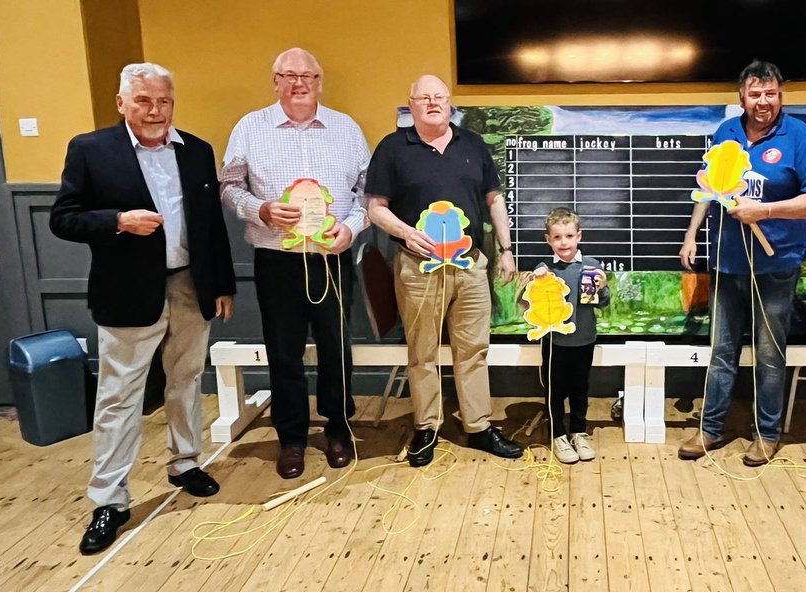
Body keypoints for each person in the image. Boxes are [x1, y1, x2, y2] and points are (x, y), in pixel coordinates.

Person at [51, 63, 236, 555]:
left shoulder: (196, 151)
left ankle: (186, 463)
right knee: (118, 398)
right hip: (127, 293)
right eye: (144, 101)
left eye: (164, 101)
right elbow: (63, 219)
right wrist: (117, 221)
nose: (155, 111)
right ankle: (109, 499)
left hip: (191, 285)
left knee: (187, 379)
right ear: (122, 103)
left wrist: (221, 284)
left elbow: (210, 224)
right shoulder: (90, 150)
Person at [220, 48, 370, 479]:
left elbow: (367, 192)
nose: (298, 82)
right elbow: (229, 186)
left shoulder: (346, 128)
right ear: (275, 82)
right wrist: (260, 210)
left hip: (332, 258)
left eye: (306, 75)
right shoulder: (251, 127)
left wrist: (353, 227)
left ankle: (339, 428)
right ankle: (292, 438)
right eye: (288, 75)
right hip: (276, 259)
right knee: (283, 352)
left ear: (320, 80)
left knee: (336, 348)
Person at [678, 60, 806, 466]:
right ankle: (710, 429)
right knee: (722, 349)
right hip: (727, 263)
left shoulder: (798, 135)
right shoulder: (726, 132)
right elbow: (710, 188)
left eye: (771, 94)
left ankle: (767, 433)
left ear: (780, 95)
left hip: (775, 264)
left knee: (768, 353)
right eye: (755, 94)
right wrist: (693, 232)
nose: (763, 102)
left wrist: (763, 211)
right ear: (741, 97)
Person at [365, 74, 524, 467]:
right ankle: (426, 427)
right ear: (412, 104)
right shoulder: (391, 148)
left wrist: (506, 249)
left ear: (449, 102)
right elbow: (375, 207)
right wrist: (406, 234)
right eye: (424, 97)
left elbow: (494, 200)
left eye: (439, 97)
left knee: (473, 351)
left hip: (470, 266)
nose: (433, 103)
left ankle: (478, 426)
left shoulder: (473, 145)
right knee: (422, 354)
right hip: (418, 268)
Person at [527, 207, 610, 464]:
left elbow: (601, 303)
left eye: (569, 236)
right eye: (558, 237)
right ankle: (557, 435)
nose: (564, 242)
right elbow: (528, 304)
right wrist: (534, 283)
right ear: (548, 240)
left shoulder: (591, 266)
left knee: (579, 390)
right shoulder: (544, 269)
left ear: (579, 237)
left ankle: (577, 431)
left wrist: (603, 287)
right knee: (555, 390)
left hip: (584, 340)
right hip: (554, 342)